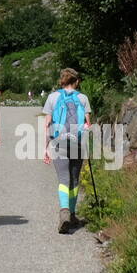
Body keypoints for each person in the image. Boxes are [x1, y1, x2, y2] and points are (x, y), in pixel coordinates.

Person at [42, 68, 92, 233]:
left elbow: (47, 124)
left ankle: (64, 214)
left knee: (64, 179)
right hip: (77, 143)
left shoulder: (52, 97)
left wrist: (46, 148)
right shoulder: (83, 98)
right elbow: (87, 126)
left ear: (62, 81)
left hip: (58, 143)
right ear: (76, 81)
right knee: (74, 180)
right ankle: (72, 214)